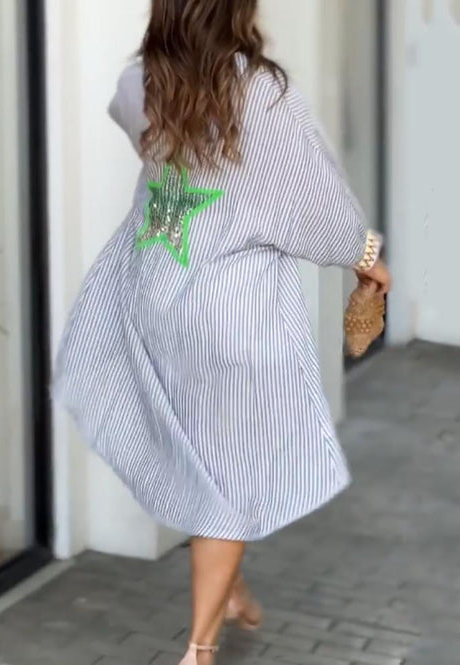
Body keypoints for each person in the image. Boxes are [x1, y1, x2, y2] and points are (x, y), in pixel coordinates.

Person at [53, 1, 392, 663]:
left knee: (206, 463)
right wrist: (365, 253)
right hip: (233, 316)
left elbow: (135, 126)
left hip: (155, 300)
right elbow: (314, 201)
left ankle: (229, 587)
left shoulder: (143, 81)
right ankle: (199, 649)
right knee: (234, 477)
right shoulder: (262, 94)